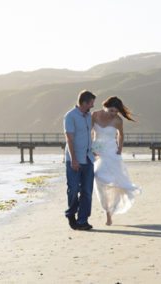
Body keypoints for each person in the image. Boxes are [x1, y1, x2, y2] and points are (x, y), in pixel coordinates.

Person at [92, 96, 141, 226]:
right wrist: (90, 147)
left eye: (116, 111)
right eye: (111, 110)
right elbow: (89, 131)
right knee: (98, 178)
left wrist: (120, 148)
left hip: (112, 152)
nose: (114, 113)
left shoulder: (118, 120)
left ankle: (110, 213)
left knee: (116, 183)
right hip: (97, 151)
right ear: (105, 106)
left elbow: (121, 134)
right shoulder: (95, 115)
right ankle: (107, 211)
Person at [63, 90, 96, 230]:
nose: (92, 107)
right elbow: (69, 139)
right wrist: (74, 160)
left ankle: (83, 220)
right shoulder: (70, 116)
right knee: (74, 189)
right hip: (74, 159)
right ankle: (71, 214)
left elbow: (90, 135)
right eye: (91, 104)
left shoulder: (89, 116)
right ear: (84, 103)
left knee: (87, 191)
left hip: (88, 158)